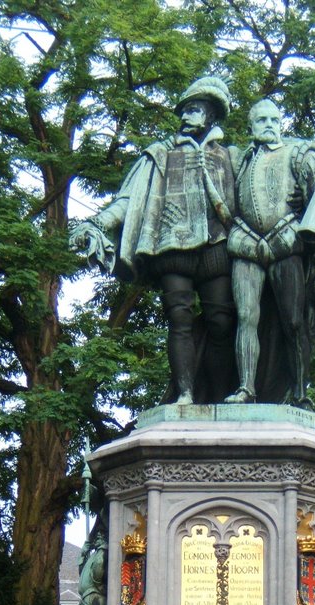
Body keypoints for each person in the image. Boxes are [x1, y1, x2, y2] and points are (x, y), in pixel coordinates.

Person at [70, 76, 239, 405]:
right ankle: (185, 394)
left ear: (211, 115)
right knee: (179, 318)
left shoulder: (230, 156)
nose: (187, 116)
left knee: (222, 321)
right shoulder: (159, 154)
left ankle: (218, 398)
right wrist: (96, 223)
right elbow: (128, 201)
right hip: (171, 248)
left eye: (195, 110)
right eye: (185, 110)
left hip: (217, 246)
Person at [225, 98, 315, 406]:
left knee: (294, 321)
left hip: (285, 242)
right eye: (262, 120)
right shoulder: (238, 161)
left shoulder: (299, 155)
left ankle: (300, 392)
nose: (269, 125)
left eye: (274, 119)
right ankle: (246, 388)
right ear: (251, 126)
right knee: (246, 317)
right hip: (245, 243)